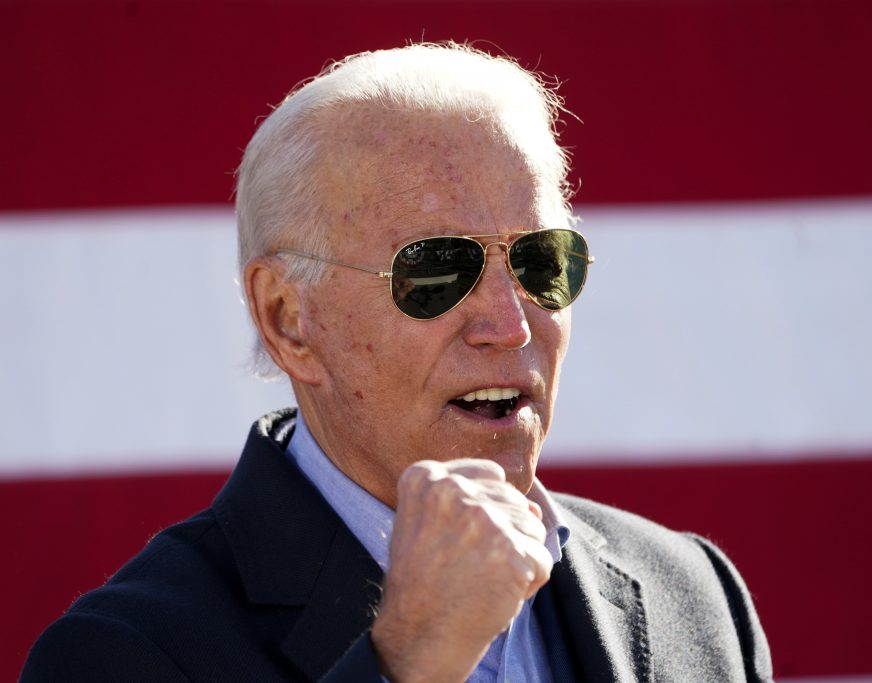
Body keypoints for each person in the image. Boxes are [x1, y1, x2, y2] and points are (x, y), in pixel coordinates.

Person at [21, 43, 773, 682]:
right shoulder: (123, 653)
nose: (510, 324)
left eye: (542, 259)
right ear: (289, 319)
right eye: (437, 270)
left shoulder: (694, 595)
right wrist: (409, 656)